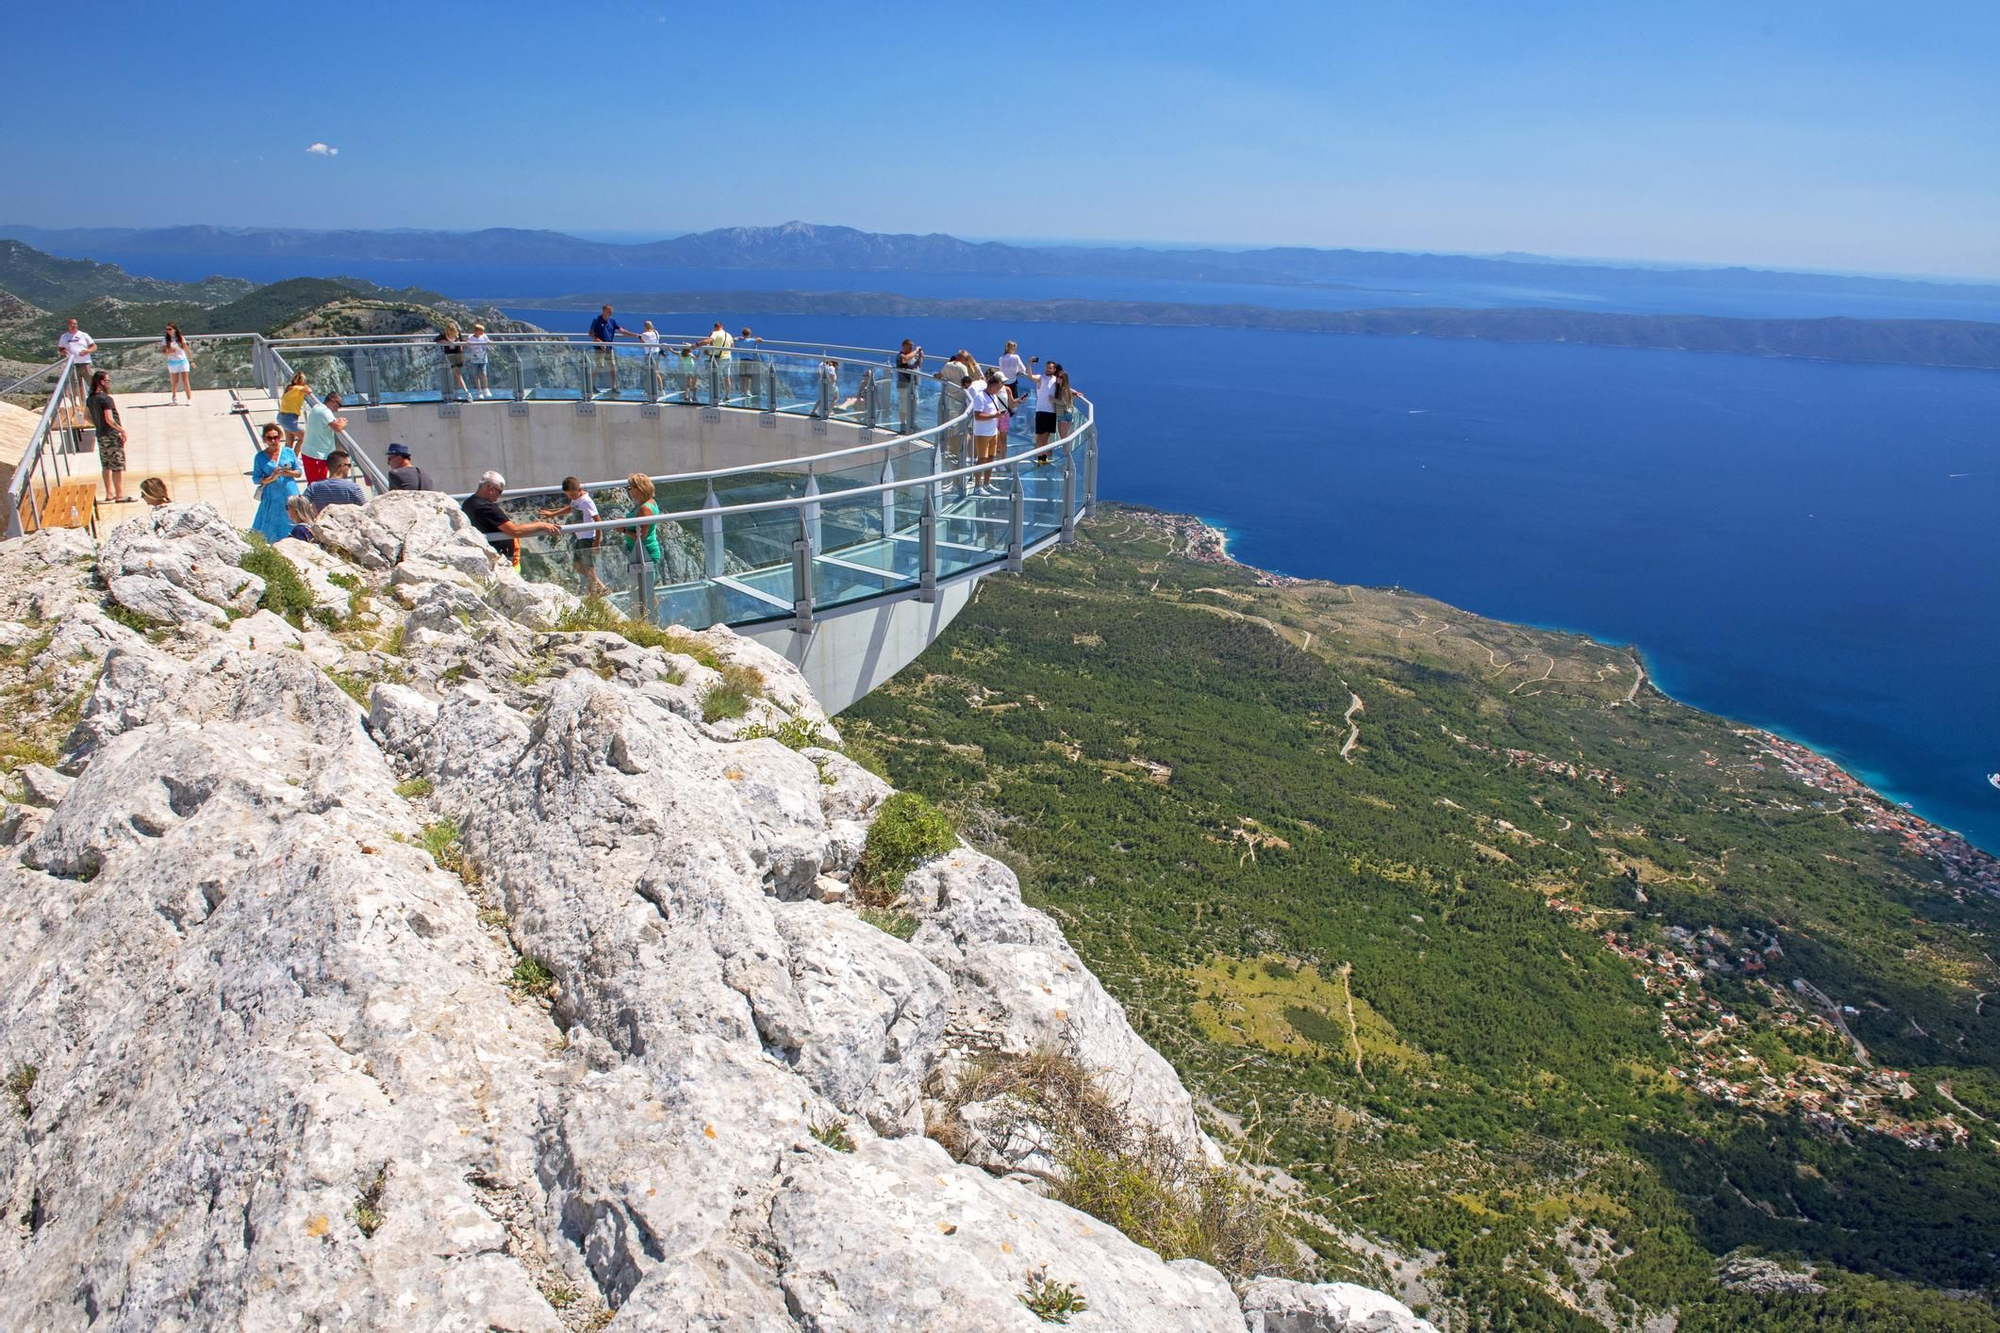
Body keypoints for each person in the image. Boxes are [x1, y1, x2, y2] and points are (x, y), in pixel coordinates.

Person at [460, 470, 559, 561]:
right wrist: (542, 525)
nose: (499, 496)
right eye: (499, 492)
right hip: (499, 557)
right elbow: (515, 530)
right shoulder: (486, 507)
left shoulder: (468, 502)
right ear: (489, 488)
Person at [541, 475, 610, 596]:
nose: (571, 497)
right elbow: (571, 508)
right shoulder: (577, 499)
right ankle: (601, 586)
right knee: (577, 565)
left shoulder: (587, 501)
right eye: (569, 495)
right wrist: (552, 514)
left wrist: (597, 542)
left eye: (573, 495)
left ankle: (594, 594)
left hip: (588, 538)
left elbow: (598, 521)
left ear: (579, 490)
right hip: (580, 537)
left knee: (589, 566)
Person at [251, 422, 304, 543]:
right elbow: (256, 478)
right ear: (265, 440)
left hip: (289, 492)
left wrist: (287, 473)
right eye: (270, 438)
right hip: (272, 495)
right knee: (270, 521)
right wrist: (271, 478)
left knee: (292, 518)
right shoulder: (260, 457)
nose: (274, 441)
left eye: (276, 437)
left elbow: (299, 472)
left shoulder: (288, 452)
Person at [85, 370, 130, 504]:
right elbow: (109, 419)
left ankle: (109, 494)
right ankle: (120, 495)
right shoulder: (106, 399)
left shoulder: (91, 398)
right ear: (102, 382)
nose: (109, 383)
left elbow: (87, 416)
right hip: (111, 435)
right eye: (108, 381)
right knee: (117, 466)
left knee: (106, 466)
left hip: (100, 435)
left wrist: (98, 424)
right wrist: (121, 430)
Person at [299, 389, 348, 483]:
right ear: (332, 401)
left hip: (314, 454)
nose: (338, 409)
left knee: (317, 483)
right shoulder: (325, 411)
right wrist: (343, 422)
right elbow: (338, 428)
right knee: (317, 484)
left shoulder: (318, 407)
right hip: (316, 455)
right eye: (339, 405)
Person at [968, 370, 1004, 491]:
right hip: (982, 433)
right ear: (993, 386)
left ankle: (987, 483)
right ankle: (977, 485)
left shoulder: (994, 396)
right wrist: (994, 416)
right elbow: (977, 416)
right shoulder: (980, 397)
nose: (998, 390)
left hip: (993, 432)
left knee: (991, 457)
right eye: (998, 388)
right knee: (982, 459)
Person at [622, 472, 662, 574]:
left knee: (646, 586)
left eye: (630, 488)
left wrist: (623, 530)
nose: (628, 491)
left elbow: (641, 536)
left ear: (639, 489)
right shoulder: (648, 502)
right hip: (639, 551)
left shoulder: (645, 508)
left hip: (645, 553)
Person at [588, 305, 631, 397]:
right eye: (609, 311)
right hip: (599, 348)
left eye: (611, 311)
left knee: (613, 366)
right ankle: (591, 385)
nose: (610, 313)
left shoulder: (612, 321)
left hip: (609, 348)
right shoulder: (596, 320)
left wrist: (635, 335)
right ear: (603, 311)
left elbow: (621, 330)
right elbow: (590, 333)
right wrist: (599, 341)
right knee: (600, 365)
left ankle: (614, 387)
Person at [57, 318, 96, 418]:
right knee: (76, 387)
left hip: (85, 363)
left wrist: (87, 351)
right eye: (72, 324)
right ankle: (79, 406)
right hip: (72, 365)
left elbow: (94, 346)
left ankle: (94, 402)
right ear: (68, 325)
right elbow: (60, 349)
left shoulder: (84, 335)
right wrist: (64, 352)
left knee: (91, 382)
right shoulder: (64, 337)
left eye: (75, 324)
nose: (74, 326)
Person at [303, 449, 367, 509]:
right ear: (342, 466)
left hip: (324, 520)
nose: (349, 468)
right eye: (349, 465)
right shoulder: (353, 487)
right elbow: (364, 509)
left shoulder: (314, 487)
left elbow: (300, 505)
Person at [1032, 359, 1062, 462]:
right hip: (1041, 410)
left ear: (1054, 369)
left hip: (1051, 412)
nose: (1048, 369)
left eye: (1050, 368)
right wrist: (1029, 364)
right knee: (1040, 436)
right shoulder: (1041, 378)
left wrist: (1075, 392)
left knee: (1046, 437)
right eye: (1047, 367)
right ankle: (1041, 459)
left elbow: (1065, 386)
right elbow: (1030, 376)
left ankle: (1043, 458)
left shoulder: (1056, 379)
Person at [893, 339, 924, 435]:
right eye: (910, 347)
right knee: (904, 406)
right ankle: (903, 426)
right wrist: (915, 351)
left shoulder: (912, 357)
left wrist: (921, 357)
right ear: (904, 346)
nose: (911, 349)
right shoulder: (900, 356)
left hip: (913, 385)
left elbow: (918, 365)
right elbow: (905, 359)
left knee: (914, 406)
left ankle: (912, 425)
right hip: (904, 385)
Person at [434, 321, 469, 401]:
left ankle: (456, 392)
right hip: (450, 355)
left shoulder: (458, 334)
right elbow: (436, 340)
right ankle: (466, 392)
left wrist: (464, 343)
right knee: (458, 374)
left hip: (458, 354)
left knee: (456, 375)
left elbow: (461, 342)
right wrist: (447, 342)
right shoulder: (444, 335)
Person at [276, 371, 309, 452]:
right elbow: (309, 391)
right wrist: (305, 385)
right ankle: (294, 458)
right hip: (289, 418)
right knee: (304, 438)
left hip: (282, 416)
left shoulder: (289, 388)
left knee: (289, 440)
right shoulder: (298, 388)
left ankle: (286, 459)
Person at [162, 323, 193, 405]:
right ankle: (174, 396)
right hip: (172, 362)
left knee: (185, 380)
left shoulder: (180, 338)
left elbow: (186, 349)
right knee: (175, 381)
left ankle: (189, 399)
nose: (168, 331)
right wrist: (169, 351)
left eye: (169, 329)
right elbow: (163, 351)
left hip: (183, 361)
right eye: (167, 329)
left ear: (174, 330)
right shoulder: (165, 339)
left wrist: (191, 361)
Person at [734, 328, 762, 405]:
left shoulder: (740, 340)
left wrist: (740, 337)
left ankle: (742, 391)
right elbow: (760, 340)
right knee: (748, 376)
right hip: (749, 359)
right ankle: (748, 391)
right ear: (749, 334)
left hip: (742, 359)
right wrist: (755, 338)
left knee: (742, 376)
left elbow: (734, 339)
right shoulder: (752, 340)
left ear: (743, 334)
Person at [465, 322, 493, 398]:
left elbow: (489, 342)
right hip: (474, 359)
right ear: (476, 331)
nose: (482, 332)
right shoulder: (470, 337)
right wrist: (467, 343)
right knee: (476, 375)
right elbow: (467, 344)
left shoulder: (484, 336)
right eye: (481, 330)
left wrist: (490, 343)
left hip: (483, 359)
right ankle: (479, 391)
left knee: (484, 374)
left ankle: (486, 389)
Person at [639, 321, 663, 398]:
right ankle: (661, 390)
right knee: (656, 373)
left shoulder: (645, 334)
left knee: (648, 373)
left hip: (649, 354)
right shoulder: (656, 332)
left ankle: (648, 391)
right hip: (657, 353)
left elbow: (642, 342)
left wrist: (640, 337)